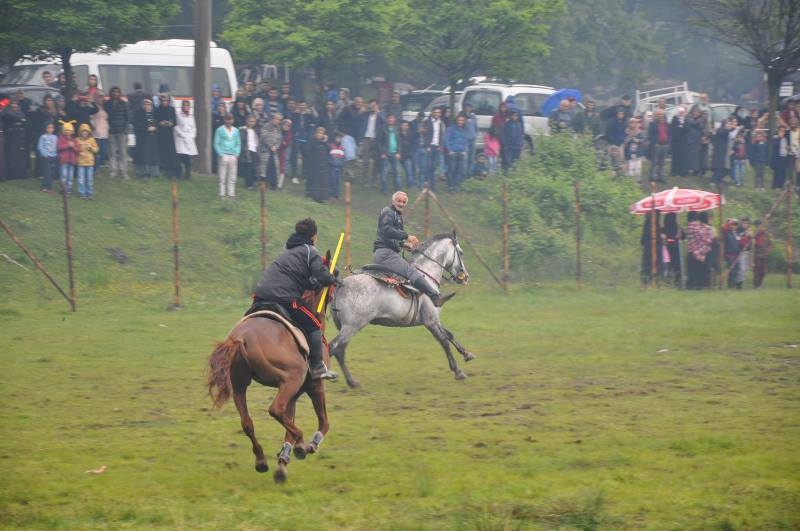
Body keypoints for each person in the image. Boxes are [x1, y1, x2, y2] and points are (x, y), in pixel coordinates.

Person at [246, 218, 338, 381]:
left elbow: (298, 276)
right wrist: (332, 279)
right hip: (284, 298)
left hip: (260, 295)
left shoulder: (286, 250)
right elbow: (321, 275)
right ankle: (318, 367)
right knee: (314, 325)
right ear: (313, 236)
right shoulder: (310, 251)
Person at [372, 191, 453, 307]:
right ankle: (435, 297)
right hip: (385, 254)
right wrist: (407, 237)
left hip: (387, 253)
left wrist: (403, 245)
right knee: (410, 271)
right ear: (393, 201)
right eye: (399, 201)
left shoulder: (397, 216)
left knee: (407, 273)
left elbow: (389, 238)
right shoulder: (388, 211)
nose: (401, 204)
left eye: (404, 202)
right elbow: (386, 230)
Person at [104, 86, 129, 179]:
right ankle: (113, 171)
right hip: (111, 131)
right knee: (112, 152)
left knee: (123, 152)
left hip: (121, 131)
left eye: (117, 92)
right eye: (114, 92)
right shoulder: (107, 104)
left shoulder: (124, 103)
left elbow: (128, 117)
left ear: (119, 93)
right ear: (111, 93)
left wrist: (126, 129)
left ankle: (123, 171)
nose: (115, 93)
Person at [213, 113, 241, 198]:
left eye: (230, 119)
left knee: (232, 176)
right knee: (222, 176)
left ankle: (231, 194)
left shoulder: (236, 130)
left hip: (233, 155)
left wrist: (237, 154)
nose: (229, 121)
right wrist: (220, 154)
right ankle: (222, 194)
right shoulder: (220, 130)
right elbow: (216, 143)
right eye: (227, 119)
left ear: (233, 120)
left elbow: (238, 143)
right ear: (224, 120)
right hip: (223, 154)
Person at [304, 126, 330, 203]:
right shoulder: (312, 141)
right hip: (314, 165)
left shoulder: (324, 143)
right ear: (316, 133)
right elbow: (307, 151)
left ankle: (323, 198)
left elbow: (328, 151)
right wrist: (312, 160)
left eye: (322, 133)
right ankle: (314, 197)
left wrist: (325, 142)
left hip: (323, 165)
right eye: (319, 133)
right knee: (315, 181)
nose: (320, 134)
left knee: (323, 181)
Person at [174, 100, 197, 180]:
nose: (186, 107)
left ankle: (188, 176)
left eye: (187, 105)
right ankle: (179, 175)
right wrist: (182, 134)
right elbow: (176, 126)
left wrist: (192, 136)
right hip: (181, 139)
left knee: (188, 159)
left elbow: (194, 127)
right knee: (181, 158)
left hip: (189, 139)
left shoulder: (191, 116)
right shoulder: (179, 115)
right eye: (184, 105)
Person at [76, 123, 99, 199]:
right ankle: (82, 193)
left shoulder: (92, 140)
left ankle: (89, 193)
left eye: (86, 131)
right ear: (80, 132)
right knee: (81, 179)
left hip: (89, 163)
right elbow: (75, 149)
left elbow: (96, 150)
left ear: (89, 132)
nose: (84, 133)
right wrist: (79, 152)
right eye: (83, 131)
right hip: (81, 162)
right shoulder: (77, 140)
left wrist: (91, 147)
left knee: (89, 179)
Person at [57, 121, 79, 192]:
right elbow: (59, 147)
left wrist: (73, 146)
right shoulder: (61, 138)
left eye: (69, 130)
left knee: (70, 176)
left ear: (72, 131)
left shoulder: (74, 140)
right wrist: (67, 145)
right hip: (64, 160)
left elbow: (78, 149)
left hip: (72, 161)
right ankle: (63, 189)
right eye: (66, 130)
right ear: (63, 131)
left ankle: (68, 190)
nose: (68, 132)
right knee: (64, 175)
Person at [37, 122, 58, 193]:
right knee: (47, 172)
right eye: (49, 127)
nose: (50, 129)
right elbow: (40, 146)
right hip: (46, 157)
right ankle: (44, 187)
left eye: (52, 127)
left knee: (52, 173)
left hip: (54, 156)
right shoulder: (43, 137)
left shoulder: (55, 137)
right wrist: (44, 154)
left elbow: (57, 146)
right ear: (46, 128)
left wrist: (57, 155)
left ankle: (49, 187)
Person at [752, 219, 772, 288]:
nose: (760, 227)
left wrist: (768, 251)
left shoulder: (767, 235)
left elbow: (770, 244)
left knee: (763, 271)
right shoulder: (755, 235)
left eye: (761, 225)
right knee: (757, 271)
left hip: (764, 256)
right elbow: (753, 246)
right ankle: (756, 285)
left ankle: (760, 283)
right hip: (757, 256)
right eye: (758, 226)